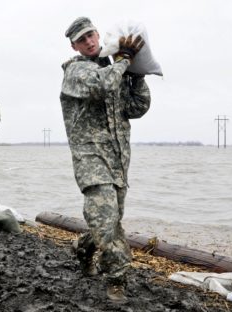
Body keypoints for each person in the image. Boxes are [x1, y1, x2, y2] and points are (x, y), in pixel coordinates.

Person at [60, 17, 151, 302]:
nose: (88, 42)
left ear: (98, 35)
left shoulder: (115, 70)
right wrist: (123, 62)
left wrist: (137, 75)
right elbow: (101, 85)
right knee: (107, 219)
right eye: (81, 39)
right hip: (91, 160)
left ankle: (83, 248)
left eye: (91, 35)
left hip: (118, 161)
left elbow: (137, 107)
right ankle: (116, 280)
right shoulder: (76, 71)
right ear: (75, 45)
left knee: (107, 220)